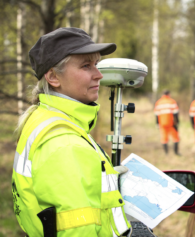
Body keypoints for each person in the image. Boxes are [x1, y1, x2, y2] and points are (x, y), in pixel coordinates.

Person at [11, 27, 131, 236]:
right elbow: (77, 228)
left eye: (96, 64)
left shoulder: (46, 117)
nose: (99, 75)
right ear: (53, 77)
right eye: (86, 66)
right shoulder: (64, 143)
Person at [154, 90, 181, 155]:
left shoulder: (158, 102)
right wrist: (177, 122)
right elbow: (176, 113)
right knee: (176, 138)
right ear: (169, 94)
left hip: (162, 123)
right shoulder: (172, 101)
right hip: (171, 123)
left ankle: (166, 153)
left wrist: (157, 123)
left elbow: (156, 115)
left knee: (164, 138)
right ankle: (176, 152)